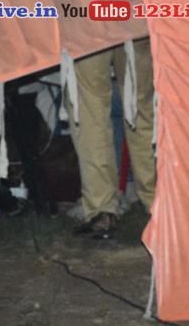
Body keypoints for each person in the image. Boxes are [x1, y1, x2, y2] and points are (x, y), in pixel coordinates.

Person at [70, 37, 156, 239]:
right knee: (141, 108)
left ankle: (102, 211)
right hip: (134, 21)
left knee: (91, 112)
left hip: (87, 22)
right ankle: (158, 201)